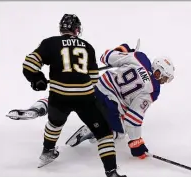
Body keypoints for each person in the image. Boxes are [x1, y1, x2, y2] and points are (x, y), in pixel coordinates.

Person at [8, 43, 175, 160]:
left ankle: (38, 108)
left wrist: (125, 50)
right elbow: (133, 118)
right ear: (158, 70)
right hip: (111, 107)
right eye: (164, 77)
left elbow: (106, 56)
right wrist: (137, 146)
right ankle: (93, 129)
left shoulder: (140, 58)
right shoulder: (153, 90)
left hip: (96, 88)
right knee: (120, 134)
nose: (164, 81)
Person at [21, 13, 126, 177]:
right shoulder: (87, 46)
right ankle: (111, 172)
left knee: (54, 124)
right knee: (104, 133)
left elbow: (29, 64)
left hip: (59, 97)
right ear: (77, 29)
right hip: (85, 99)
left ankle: (47, 151)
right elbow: (92, 79)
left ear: (61, 29)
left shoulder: (50, 43)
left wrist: (37, 80)